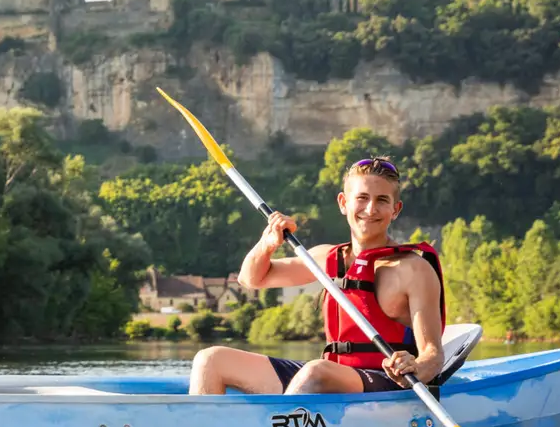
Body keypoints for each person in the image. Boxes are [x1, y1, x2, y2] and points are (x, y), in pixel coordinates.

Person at [190, 156, 445, 396]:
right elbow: (251, 279)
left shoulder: (413, 269)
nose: (370, 208)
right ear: (344, 203)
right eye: (362, 198)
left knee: (315, 370)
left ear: (396, 209)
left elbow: (432, 355)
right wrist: (267, 245)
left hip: (383, 381)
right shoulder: (325, 258)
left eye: (381, 200)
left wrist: (413, 368)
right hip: (328, 376)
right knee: (211, 360)